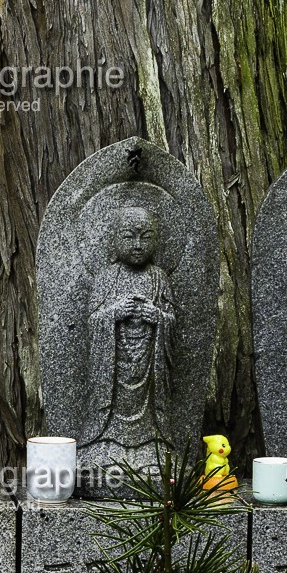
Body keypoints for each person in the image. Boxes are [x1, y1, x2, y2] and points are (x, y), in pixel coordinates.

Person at [82, 205, 175, 478]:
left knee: (151, 428)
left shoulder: (159, 278)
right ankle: (106, 447)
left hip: (149, 368)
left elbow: (171, 319)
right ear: (115, 239)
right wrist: (113, 314)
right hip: (114, 369)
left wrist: (157, 316)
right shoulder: (106, 277)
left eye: (145, 237)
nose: (137, 245)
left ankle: (152, 451)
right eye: (129, 236)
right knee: (110, 424)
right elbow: (93, 322)